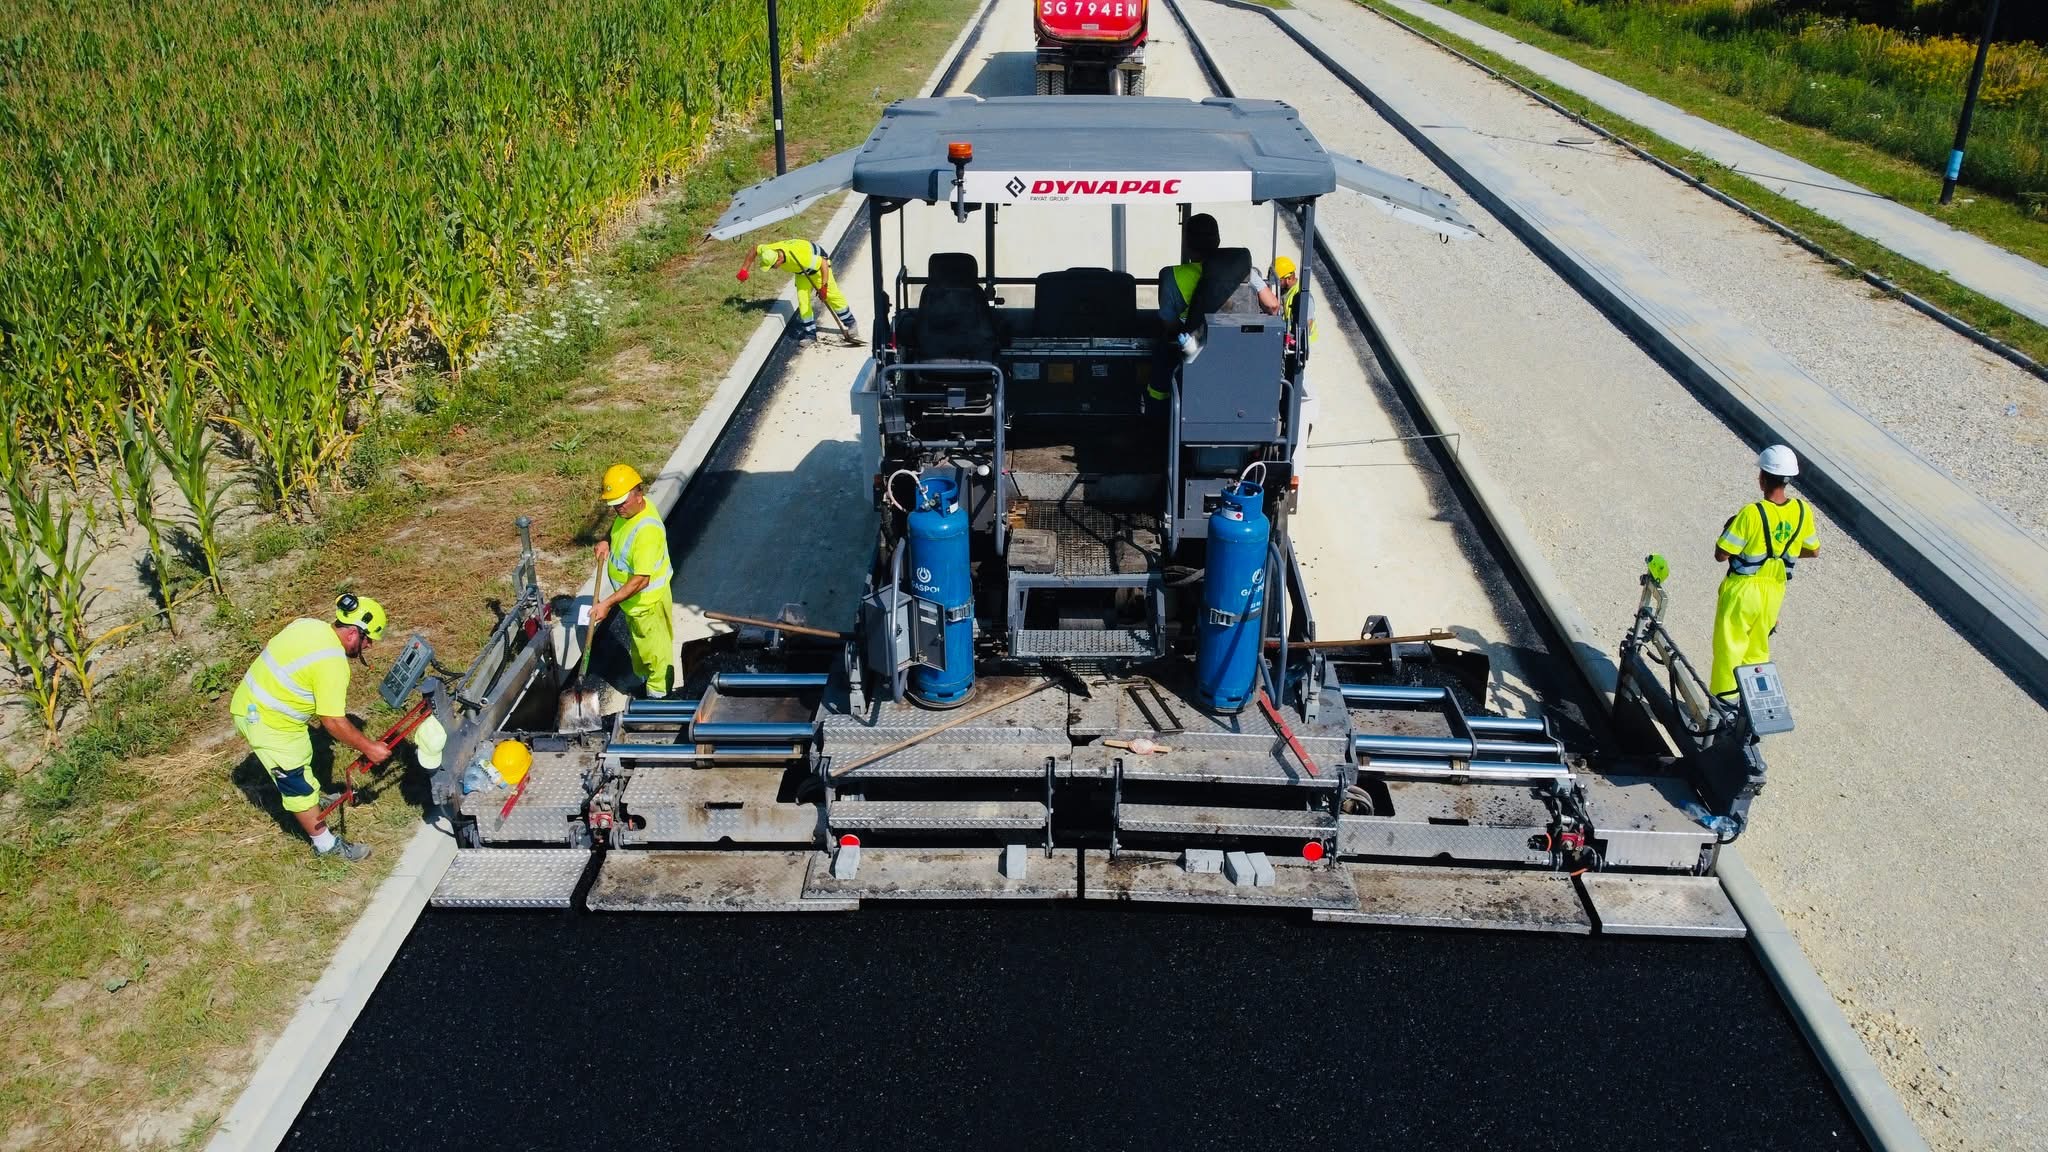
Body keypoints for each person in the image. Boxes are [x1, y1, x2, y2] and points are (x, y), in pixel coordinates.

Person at [231, 594, 392, 861]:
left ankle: (315, 801)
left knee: (302, 754)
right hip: (265, 721)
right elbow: (333, 721)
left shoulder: (307, 624)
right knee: (297, 784)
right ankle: (326, 846)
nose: (369, 646)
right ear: (354, 633)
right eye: (368, 639)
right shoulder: (333, 664)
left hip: (253, 702)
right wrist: (369, 748)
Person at [1710, 444, 1818, 697]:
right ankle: (1752, 706)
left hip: (1742, 591)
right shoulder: (1802, 511)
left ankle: (1724, 707)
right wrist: (1783, 553)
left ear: (1762, 477)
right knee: (1757, 651)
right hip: (1774, 593)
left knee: (1730, 650)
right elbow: (1813, 550)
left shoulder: (1751, 513)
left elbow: (1721, 554)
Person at [1151, 214, 1282, 403]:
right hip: (1242, 357)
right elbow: (1272, 305)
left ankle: (1158, 403)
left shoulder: (1171, 276)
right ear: (1218, 241)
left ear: (1187, 244)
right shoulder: (1244, 272)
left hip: (1194, 358)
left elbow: (1169, 324)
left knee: (1164, 348)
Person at [593, 464, 677, 698]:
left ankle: (659, 699)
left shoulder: (647, 532)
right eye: (613, 504)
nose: (617, 508)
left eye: (621, 502)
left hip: (647, 604)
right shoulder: (630, 511)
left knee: (655, 655)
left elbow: (640, 580)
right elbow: (619, 528)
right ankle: (645, 682)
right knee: (641, 648)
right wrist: (606, 540)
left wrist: (607, 603)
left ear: (638, 494)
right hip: (633, 604)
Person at [754, 238, 859, 345]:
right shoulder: (769, 250)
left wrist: (824, 287)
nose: (772, 268)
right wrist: (745, 269)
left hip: (819, 268)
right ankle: (810, 334)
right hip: (801, 272)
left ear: (779, 259)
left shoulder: (799, 257)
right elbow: (754, 249)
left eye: (772, 266)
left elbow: (822, 263)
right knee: (803, 301)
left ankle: (851, 323)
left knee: (831, 295)